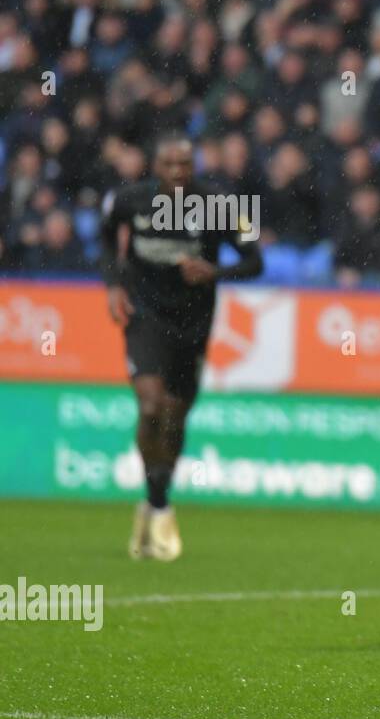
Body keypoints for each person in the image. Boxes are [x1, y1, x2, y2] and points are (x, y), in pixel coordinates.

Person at [100, 133, 263, 560]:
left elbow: (255, 261)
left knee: (173, 417)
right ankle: (158, 505)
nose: (177, 173)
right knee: (150, 406)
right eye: (169, 165)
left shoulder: (220, 206)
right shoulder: (129, 200)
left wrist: (214, 271)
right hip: (144, 317)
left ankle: (154, 500)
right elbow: (104, 237)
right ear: (155, 168)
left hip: (192, 324)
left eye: (185, 166)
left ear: (195, 168)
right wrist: (114, 284)